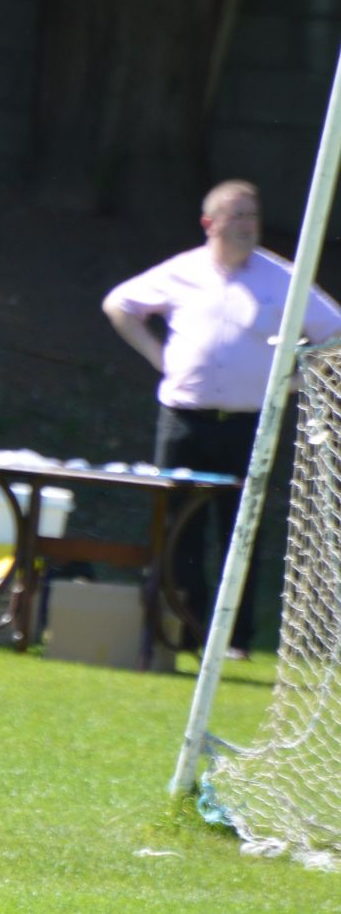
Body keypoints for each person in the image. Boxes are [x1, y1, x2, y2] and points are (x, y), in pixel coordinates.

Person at [102, 179, 341, 658]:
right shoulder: (183, 271)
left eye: (252, 215)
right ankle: (181, 630)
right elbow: (120, 304)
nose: (248, 225)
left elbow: (334, 333)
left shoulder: (280, 279)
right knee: (176, 529)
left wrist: (293, 381)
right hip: (184, 421)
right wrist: (158, 356)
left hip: (248, 425)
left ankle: (234, 640)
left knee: (240, 529)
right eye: (237, 215)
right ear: (209, 223)